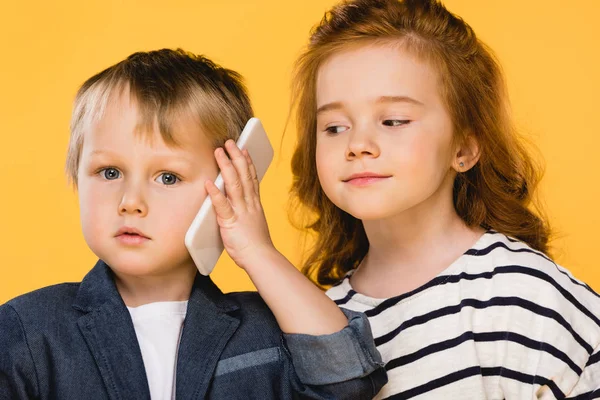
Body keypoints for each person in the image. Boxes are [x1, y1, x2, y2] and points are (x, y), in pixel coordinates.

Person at [0, 48, 386, 399]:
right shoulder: (27, 328)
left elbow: (348, 381)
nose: (130, 202)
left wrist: (257, 251)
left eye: (167, 177)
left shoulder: (266, 327)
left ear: (227, 185)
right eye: (110, 171)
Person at [288, 0, 600, 397]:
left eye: (393, 121)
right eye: (333, 127)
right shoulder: (319, 322)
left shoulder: (525, 295)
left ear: (464, 149)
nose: (358, 144)